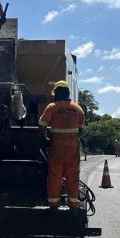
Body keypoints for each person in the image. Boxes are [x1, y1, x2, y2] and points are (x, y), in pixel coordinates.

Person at [38, 81, 85, 210]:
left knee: (55, 175)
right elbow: (81, 130)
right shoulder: (77, 108)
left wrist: (45, 138)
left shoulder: (52, 107)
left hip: (56, 148)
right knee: (73, 176)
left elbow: (41, 125)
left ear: (57, 93)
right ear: (68, 93)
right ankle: (73, 204)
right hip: (72, 150)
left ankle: (53, 204)